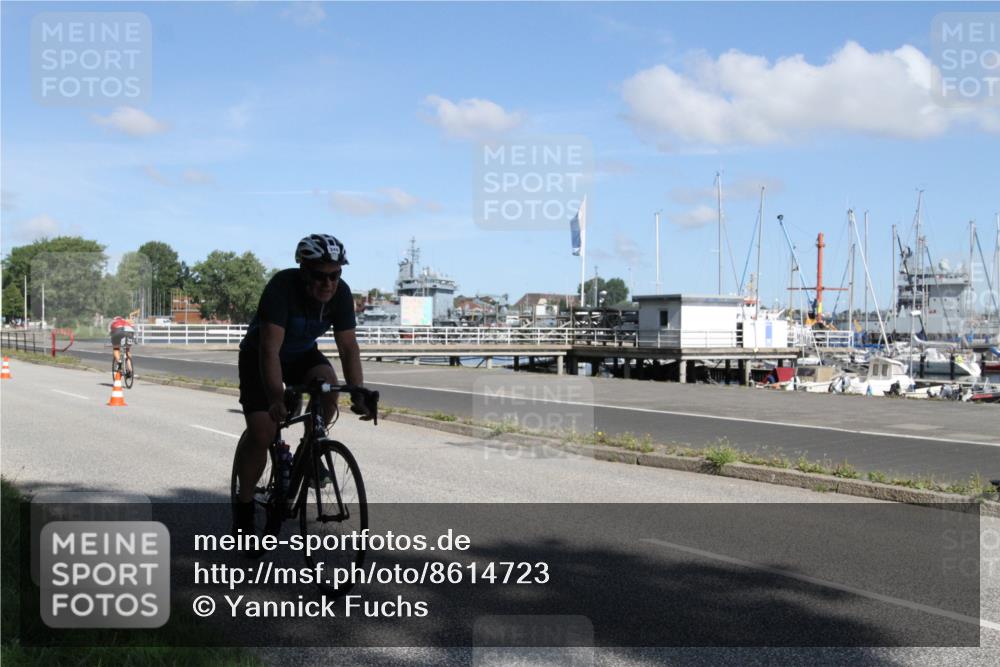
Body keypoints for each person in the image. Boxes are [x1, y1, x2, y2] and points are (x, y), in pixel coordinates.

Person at [233, 233, 370, 534]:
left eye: (335, 276)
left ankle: (309, 454)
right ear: (304, 271)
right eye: (320, 276)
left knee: (329, 387)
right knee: (263, 430)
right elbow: (269, 350)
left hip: (301, 355)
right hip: (260, 355)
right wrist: (274, 397)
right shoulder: (282, 287)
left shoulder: (341, 294)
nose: (328, 284)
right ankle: (243, 504)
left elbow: (348, 347)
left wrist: (358, 391)